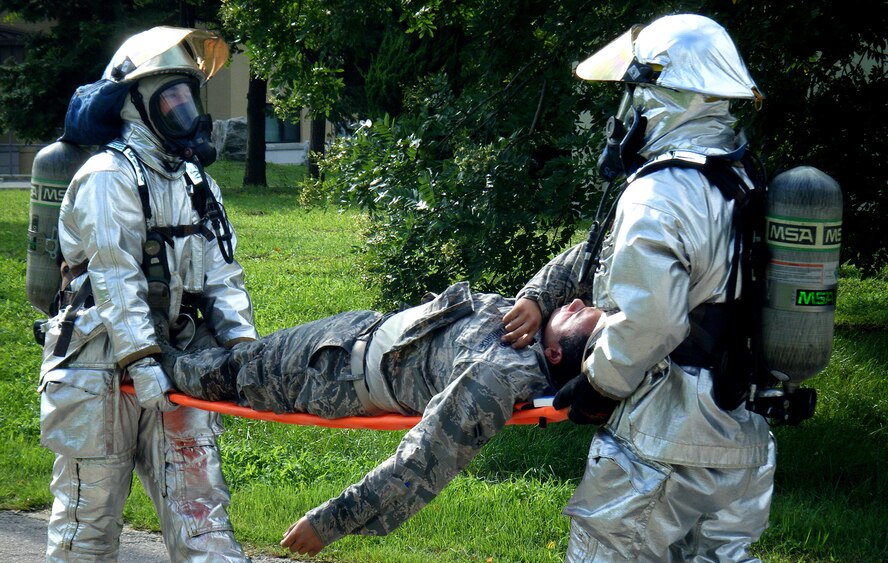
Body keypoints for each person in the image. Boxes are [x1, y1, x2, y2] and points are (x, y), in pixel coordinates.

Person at [501, 14, 777, 561]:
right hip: (740, 436)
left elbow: (652, 320)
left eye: (634, 93)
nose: (625, 110)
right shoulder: (738, 176)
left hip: (664, 439)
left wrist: (599, 385)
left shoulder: (662, 193)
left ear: (663, 96)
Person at [157, 281, 602, 556]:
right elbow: (581, 258)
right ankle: (177, 330)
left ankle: (147, 351)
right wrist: (538, 297)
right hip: (355, 331)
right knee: (240, 359)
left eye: (578, 312)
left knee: (228, 374)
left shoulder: (497, 376)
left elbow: (423, 459)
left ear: (556, 352)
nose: (576, 299)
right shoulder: (531, 319)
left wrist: (329, 522)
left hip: (329, 373)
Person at [37, 27, 258, 561]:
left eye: (187, 97)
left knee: (204, 523)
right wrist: (140, 359)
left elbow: (223, 274)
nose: (184, 110)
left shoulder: (197, 183)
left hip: (179, 366)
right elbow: (114, 275)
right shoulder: (106, 176)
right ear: (138, 105)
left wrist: (244, 355)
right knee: (86, 531)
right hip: (97, 370)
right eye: (171, 98)